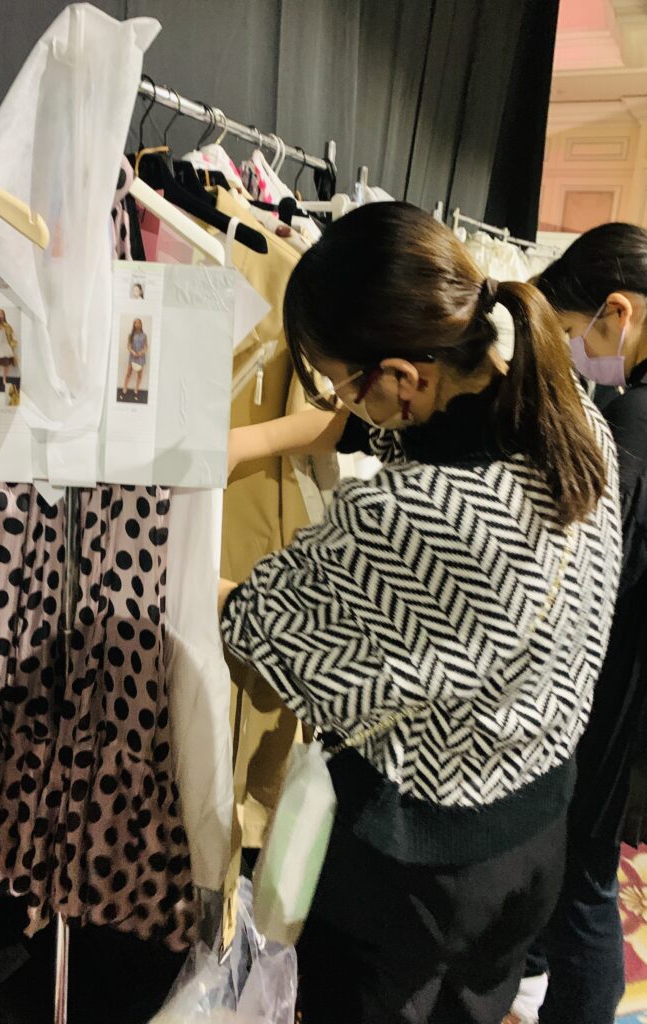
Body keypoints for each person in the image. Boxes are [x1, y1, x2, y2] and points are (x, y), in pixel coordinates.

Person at [219, 202, 622, 1024]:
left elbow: (258, 627)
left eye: (339, 383)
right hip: (536, 824)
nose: (340, 401)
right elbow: (372, 442)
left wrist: (188, 574)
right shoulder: (573, 423)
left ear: (405, 378)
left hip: (419, 869)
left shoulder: (408, 516)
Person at [506, 222, 647, 1024]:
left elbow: (597, 577)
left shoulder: (630, 430)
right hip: (628, 687)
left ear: (617, 314)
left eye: (572, 332)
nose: (572, 352)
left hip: (619, 690)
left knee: (586, 882)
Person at [120, 318, 148, 401]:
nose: (138, 324)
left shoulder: (144, 335)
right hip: (132, 357)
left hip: (141, 357)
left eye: (139, 323)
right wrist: (133, 352)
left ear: (141, 324)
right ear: (134, 325)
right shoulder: (131, 335)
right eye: (136, 323)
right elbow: (128, 346)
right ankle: (124, 388)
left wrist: (141, 352)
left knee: (139, 374)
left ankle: (136, 389)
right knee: (128, 373)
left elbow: (146, 346)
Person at [0, 308, 18, 389]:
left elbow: (12, 336)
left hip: (6, 346)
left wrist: (12, 345)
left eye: (2, 313)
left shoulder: (8, 326)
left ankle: (4, 378)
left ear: (4, 315)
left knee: (6, 364)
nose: (0, 315)